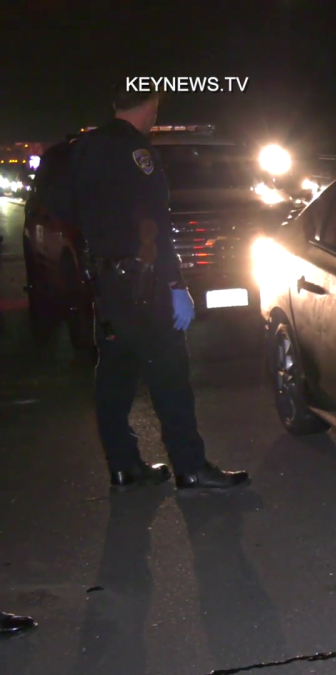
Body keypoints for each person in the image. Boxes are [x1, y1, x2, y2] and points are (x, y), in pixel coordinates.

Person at [56, 88, 249, 492]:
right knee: (171, 375)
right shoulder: (135, 152)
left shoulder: (84, 147)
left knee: (114, 373)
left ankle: (123, 466)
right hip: (143, 283)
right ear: (150, 107)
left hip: (107, 280)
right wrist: (175, 283)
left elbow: (61, 205)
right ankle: (191, 467)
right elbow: (154, 223)